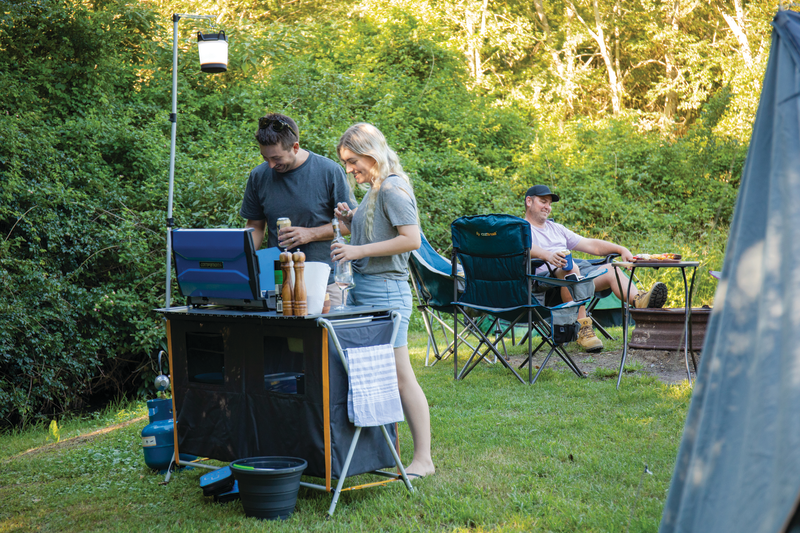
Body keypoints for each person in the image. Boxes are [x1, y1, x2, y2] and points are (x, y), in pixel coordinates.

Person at [330, 123, 435, 478]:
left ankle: (424, 460)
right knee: (370, 373)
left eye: (352, 161)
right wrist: (351, 220)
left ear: (371, 153)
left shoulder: (392, 187)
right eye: (346, 163)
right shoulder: (375, 189)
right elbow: (380, 231)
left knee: (402, 377)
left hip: (387, 292)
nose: (349, 169)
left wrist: (356, 249)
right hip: (367, 290)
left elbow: (411, 239)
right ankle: (374, 450)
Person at [524, 184, 668, 353]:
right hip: (546, 282)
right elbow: (521, 246)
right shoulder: (520, 229)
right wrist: (547, 255)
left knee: (612, 270)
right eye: (543, 202)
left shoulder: (556, 228)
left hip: (575, 275)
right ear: (529, 201)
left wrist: (621, 249)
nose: (547, 207)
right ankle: (583, 329)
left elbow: (590, 244)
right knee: (570, 268)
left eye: (549, 204)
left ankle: (640, 302)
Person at [239, 113, 357, 304]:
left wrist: (310, 234)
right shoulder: (258, 176)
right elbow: (255, 227)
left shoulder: (329, 171)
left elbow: (349, 225)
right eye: (265, 158)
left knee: (326, 325)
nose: (271, 165)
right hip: (278, 282)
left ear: (295, 147)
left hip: (325, 282)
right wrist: (242, 263)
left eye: (276, 158)